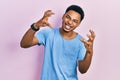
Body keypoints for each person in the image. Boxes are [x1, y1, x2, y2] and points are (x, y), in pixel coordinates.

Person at [20, 5, 95, 80]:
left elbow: (82, 70)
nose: (69, 22)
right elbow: (24, 44)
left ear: (78, 24)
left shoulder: (82, 42)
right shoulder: (49, 33)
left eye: (75, 21)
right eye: (68, 17)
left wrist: (89, 53)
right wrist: (36, 25)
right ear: (63, 16)